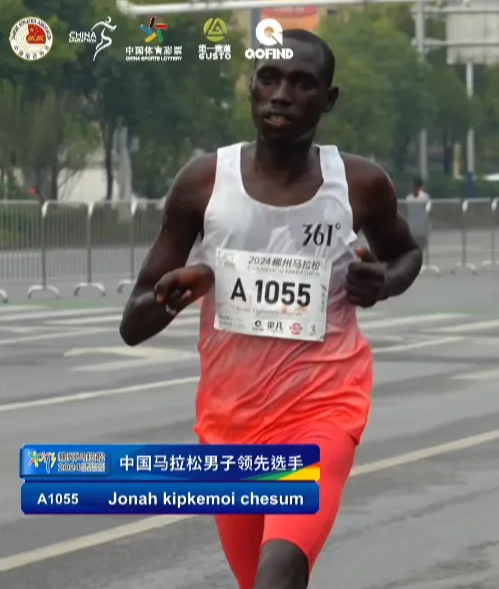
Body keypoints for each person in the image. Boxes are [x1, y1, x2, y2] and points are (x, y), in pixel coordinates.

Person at [118, 29, 422, 589]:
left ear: (328, 100)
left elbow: (405, 254)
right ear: (251, 89)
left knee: (279, 568)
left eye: (302, 83)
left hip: (323, 410)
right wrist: (184, 290)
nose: (282, 94)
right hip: (231, 422)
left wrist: (382, 282)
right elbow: (133, 323)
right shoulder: (203, 183)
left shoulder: (359, 184)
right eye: (269, 79)